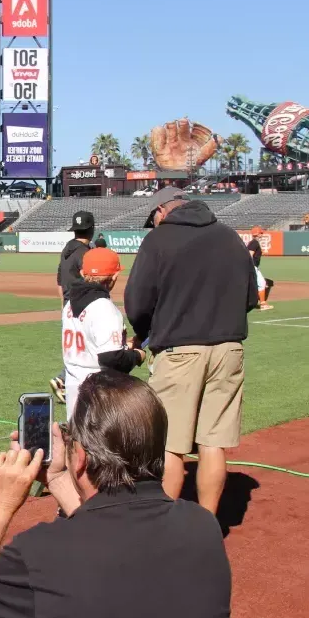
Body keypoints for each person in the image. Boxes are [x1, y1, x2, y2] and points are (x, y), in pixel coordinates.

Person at [0, 370, 231, 618]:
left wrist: (0, 505)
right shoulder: (203, 526)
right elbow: (111, 537)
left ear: (79, 456)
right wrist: (56, 478)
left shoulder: (41, 553)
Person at [123, 186, 257, 515]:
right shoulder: (229, 237)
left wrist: (144, 333)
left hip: (179, 351)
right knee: (213, 443)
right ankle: (207, 525)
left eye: (153, 218)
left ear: (162, 211)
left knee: (169, 444)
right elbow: (251, 298)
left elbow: (137, 303)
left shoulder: (159, 240)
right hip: (229, 349)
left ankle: (166, 530)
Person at [61, 248, 145, 422]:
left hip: (74, 387)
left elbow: (91, 343)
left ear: (83, 273)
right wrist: (136, 355)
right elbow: (112, 360)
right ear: (114, 277)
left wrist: (125, 346)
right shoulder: (104, 308)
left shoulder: (70, 304)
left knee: (78, 443)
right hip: (98, 393)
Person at [51, 211, 95, 403]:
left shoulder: (67, 249)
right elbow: (90, 279)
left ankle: (63, 380)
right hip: (83, 305)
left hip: (68, 304)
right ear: (91, 229)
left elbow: (60, 280)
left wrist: (64, 305)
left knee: (75, 348)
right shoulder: (86, 253)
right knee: (86, 348)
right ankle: (64, 380)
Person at [246, 226, 274, 311]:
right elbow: (249, 255)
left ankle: (253, 302)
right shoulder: (254, 243)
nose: (262, 234)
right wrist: (251, 267)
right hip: (252, 266)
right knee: (262, 283)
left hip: (252, 266)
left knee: (255, 284)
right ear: (257, 234)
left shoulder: (253, 242)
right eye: (261, 233)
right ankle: (263, 304)